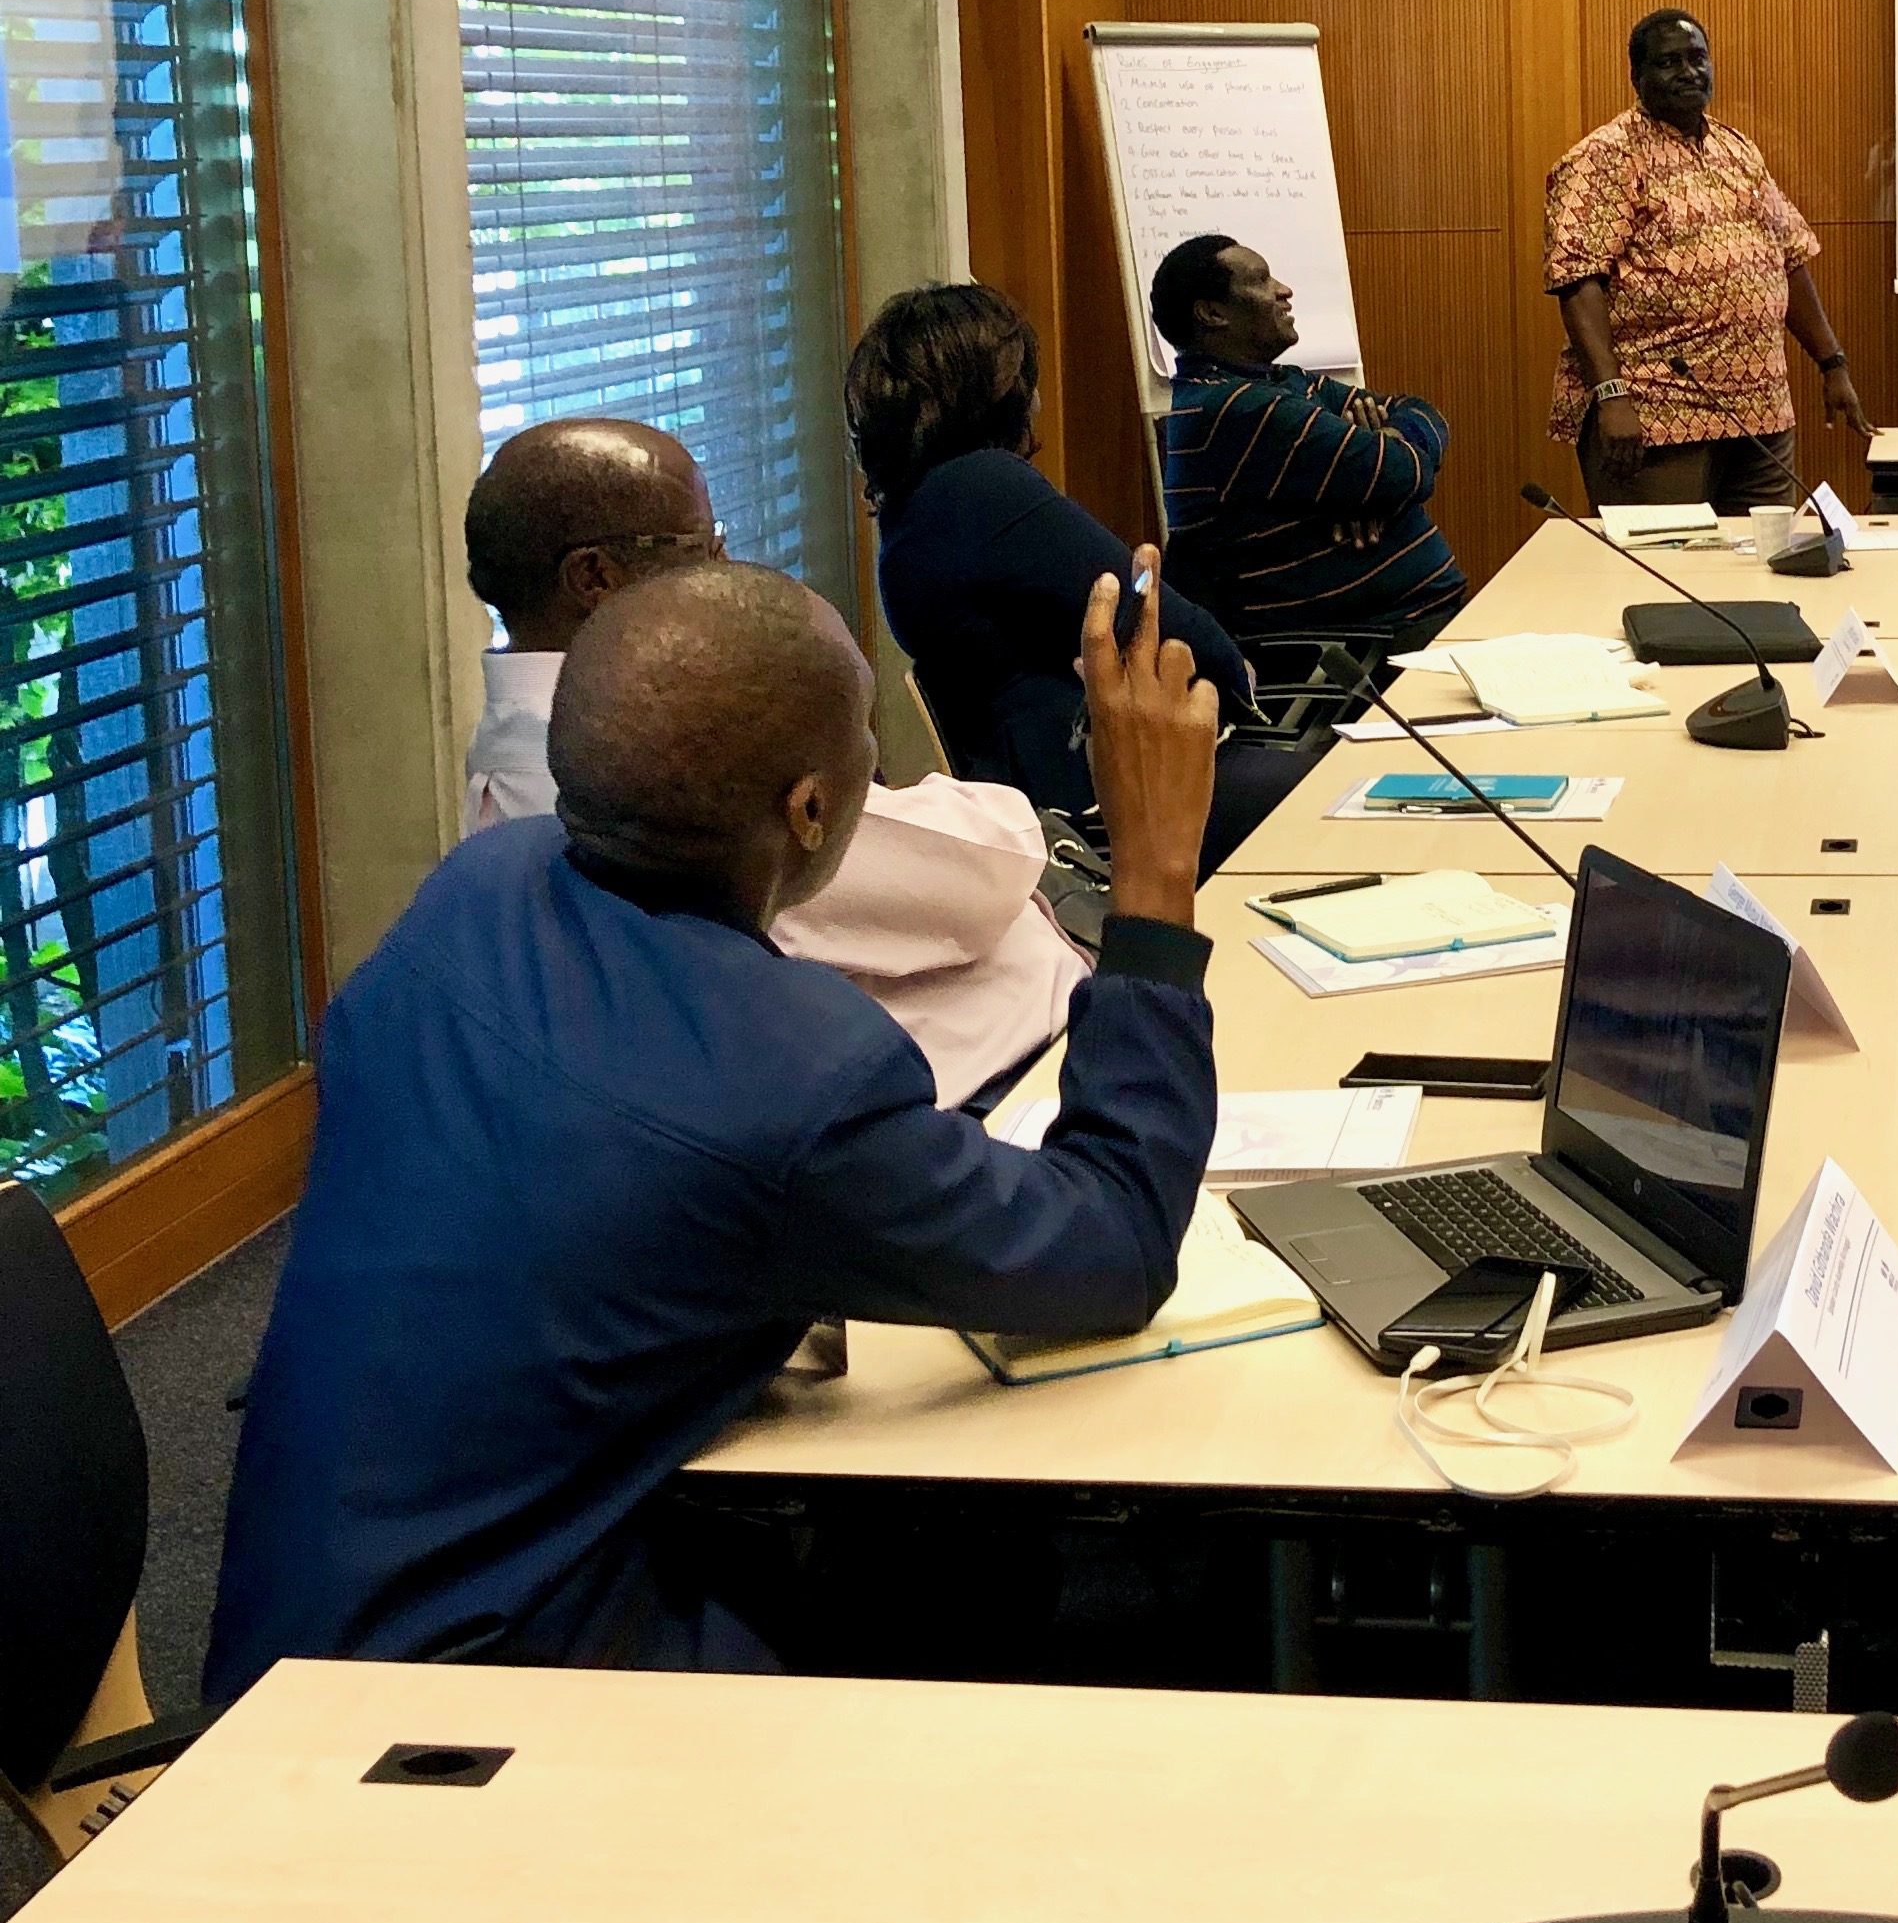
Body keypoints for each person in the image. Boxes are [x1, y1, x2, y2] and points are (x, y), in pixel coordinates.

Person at [204, 556, 1218, 1698]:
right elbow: (1117, 1246)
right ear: (812, 811)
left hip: (288, 1647)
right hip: (457, 1709)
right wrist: (1154, 874)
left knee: (927, 1556)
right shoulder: (795, 1082)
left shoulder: (476, 887)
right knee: (992, 1595)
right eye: (866, 739)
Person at [460, 416, 1082, 1108]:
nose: (724, 569)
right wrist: (1017, 822)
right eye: (700, 547)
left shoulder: (512, 749)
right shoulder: (641, 756)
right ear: (595, 577)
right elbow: (971, 878)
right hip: (977, 1084)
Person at [849, 279, 1316, 870]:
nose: (1036, 397)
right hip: (1105, 798)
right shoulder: (983, 487)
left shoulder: (913, 509)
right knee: (1345, 791)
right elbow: (1145, 602)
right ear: (991, 390)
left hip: (1051, 789)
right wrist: (1240, 681)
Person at [1544, 8, 1872, 511]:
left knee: (1766, 554)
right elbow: (1576, 280)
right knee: (1665, 557)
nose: (1687, 72)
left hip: (1760, 411)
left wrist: (1833, 364)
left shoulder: (1738, 151)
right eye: (1668, 62)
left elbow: (1788, 259)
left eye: (1697, 58)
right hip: (1657, 408)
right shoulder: (1603, 157)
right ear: (1636, 76)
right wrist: (1611, 394)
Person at [1151, 232, 1465, 653]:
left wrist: (1378, 458)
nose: (1284, 290)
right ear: (1213, 313)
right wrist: (1378, 472)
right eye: (1261, 281)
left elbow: (1424, 413)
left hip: (1408, 625)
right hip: (1365, 649)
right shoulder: (1238, 409)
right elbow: (1406, 472)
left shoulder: (1282, 381)